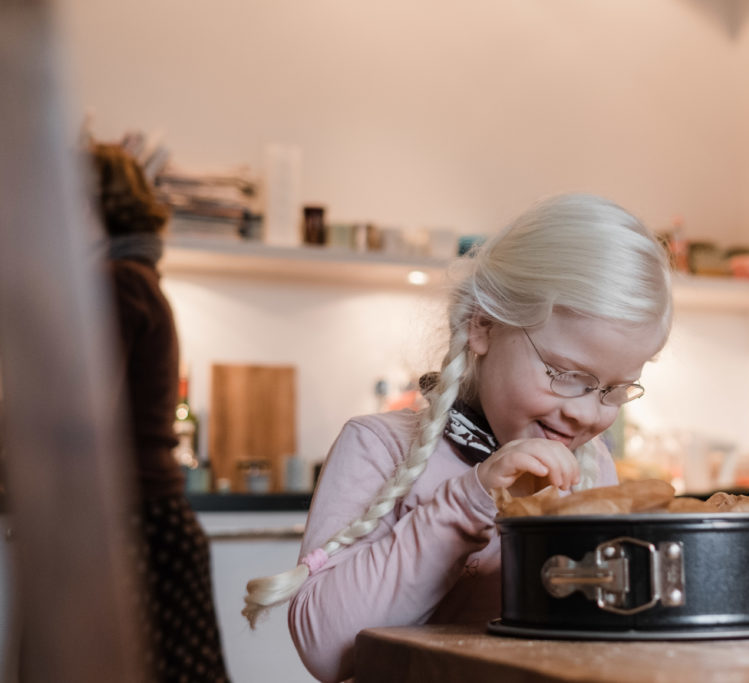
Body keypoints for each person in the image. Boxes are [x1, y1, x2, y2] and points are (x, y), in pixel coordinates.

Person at [243, 193, 674, 682]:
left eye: (613, 390)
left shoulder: (593, 469)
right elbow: (327, 651)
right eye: (564, 374)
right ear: (483, 326)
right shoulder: (379, 447)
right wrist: (466, 503)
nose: (585, 412)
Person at [90, 142, 230, 682]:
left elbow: (86, 409)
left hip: (137, 519)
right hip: (154, 517)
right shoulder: (139, 278)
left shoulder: (118, 281)